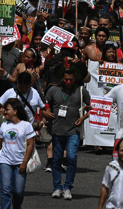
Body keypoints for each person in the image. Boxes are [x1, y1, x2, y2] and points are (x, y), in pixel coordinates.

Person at [44, 68, 89, 198]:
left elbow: (91, 108)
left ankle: (68, 187)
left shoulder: (81, 91)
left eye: (71, 80)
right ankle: (57, 187)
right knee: (56, 160)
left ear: (75, 80)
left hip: (73, 132)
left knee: (71, 158)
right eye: (66, 79)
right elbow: (44, 107)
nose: (68, 82)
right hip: (57, 131)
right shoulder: (53, 90)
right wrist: (46, 113)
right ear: (61, 79)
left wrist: (82, 118)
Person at [0, 97, 36, 209]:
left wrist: (24, 162)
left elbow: (31, 144)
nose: (5, 111)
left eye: (7, 109)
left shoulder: (26, 125)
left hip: (20, 162)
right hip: (4, 160)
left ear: (15, 111)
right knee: (5, 189)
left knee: (18, 190)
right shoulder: (4, 125)